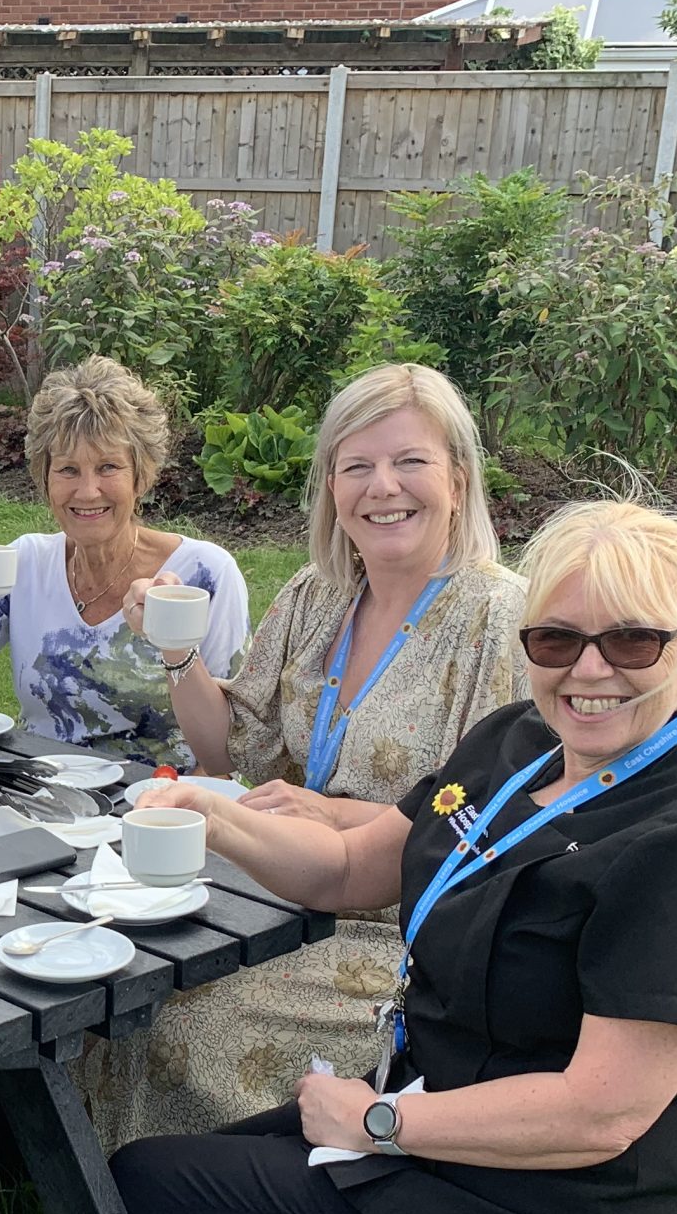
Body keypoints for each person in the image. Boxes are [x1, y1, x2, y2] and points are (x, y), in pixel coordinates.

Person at [113, 501, 677, 1214]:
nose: (588, 670)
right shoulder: (520, 743)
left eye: (634, 643)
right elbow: (345, 870)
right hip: (445, 1129)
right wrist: (210, 815)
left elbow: (602, 1114)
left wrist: (376, 1122)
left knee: (150, 1193)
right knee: (166, 1175)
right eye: (555, 641)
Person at [80, 364, 530, 1142]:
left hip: (404, 935)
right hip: (283, 886)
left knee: (174, 1029)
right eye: (356, 467)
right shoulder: (317, 595)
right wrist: (178, 653)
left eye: (409, 462)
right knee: (114, 980)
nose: (381, 487)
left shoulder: (501, 620)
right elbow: (229, 749)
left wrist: (331, 810)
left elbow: (493, 824)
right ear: (331, 487)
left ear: (458, 478)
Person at [0, 357, 247, 768]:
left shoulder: (206, 574)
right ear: (46, 478)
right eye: (68, 469)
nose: (88, 492)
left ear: (142, 476)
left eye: (108, 467)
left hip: (157, 808)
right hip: (40, 794)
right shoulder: (27, 562)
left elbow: (230, 748)